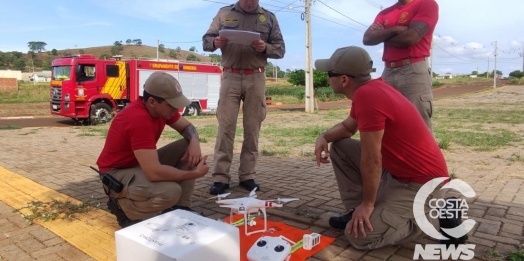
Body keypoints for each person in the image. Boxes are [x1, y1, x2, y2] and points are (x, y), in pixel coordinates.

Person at [313, 46, 467, 249]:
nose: (327, 77)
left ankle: (439, 214)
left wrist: (369, 204)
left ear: (343, 80)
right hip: (397, 173)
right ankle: (357, 211)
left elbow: (372, 159)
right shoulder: (370, 90)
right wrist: (323, 136)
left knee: (360, 237)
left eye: (329, 73)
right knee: (340, 147)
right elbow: (347, 128)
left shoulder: (369, 96)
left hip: (421, 184)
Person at [96, 71, 209, 228]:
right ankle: (126, 210)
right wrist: (193, 174)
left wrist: (194, 141)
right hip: (115, 173)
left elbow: (188, 127)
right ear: (152, 101)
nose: (176, 109)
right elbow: (153, 172)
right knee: (170, 192)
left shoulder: (160, 110)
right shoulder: (138, 119)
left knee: (186, 146)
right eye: (171, 104)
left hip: (137, 164)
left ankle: (180, 208)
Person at [202, 0, 285, 195]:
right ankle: (220, 178)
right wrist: (215, 42)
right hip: (230, 76)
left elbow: (280, 49)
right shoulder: (223, 13)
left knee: (252, 127)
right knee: (226, 126)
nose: (249, 2)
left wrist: (265, 47)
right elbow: (206, 41)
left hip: (256, 77)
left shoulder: (269, 17)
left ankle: (247, 176)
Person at [363, 0, 439, 131]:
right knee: (388, 123)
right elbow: (367, 39)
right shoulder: (384, 13)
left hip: (413, 69)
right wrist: (396, 29)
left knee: (418, 124)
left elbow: (410, 38)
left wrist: (382, 35)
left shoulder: (426, 4)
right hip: (388, 71)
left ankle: (424, 152)